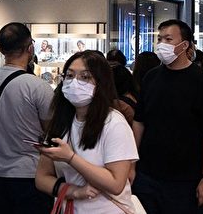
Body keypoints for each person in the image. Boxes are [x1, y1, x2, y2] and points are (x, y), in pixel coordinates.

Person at [132, 19, 203, 213]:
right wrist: (131, 163)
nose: (162, 44)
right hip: (147, 174)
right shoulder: (151, 77)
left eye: (168, 39)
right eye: (160, 38)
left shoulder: (201, 81)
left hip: (186, 179)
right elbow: (139, 122)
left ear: (184, 45)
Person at [35, 50, 138, 213]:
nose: (75, 82)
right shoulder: (61, 122)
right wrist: (75, 191)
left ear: (101, 83)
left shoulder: (114, 123)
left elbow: (116, 184)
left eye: (85, 77)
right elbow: (42, 178)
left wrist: (70, 158)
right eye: (69, 76)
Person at [0, 22, 54, 213]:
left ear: (1, 49)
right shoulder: (37, 87)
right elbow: (52, 130)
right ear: (30, 48)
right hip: (29, 174)